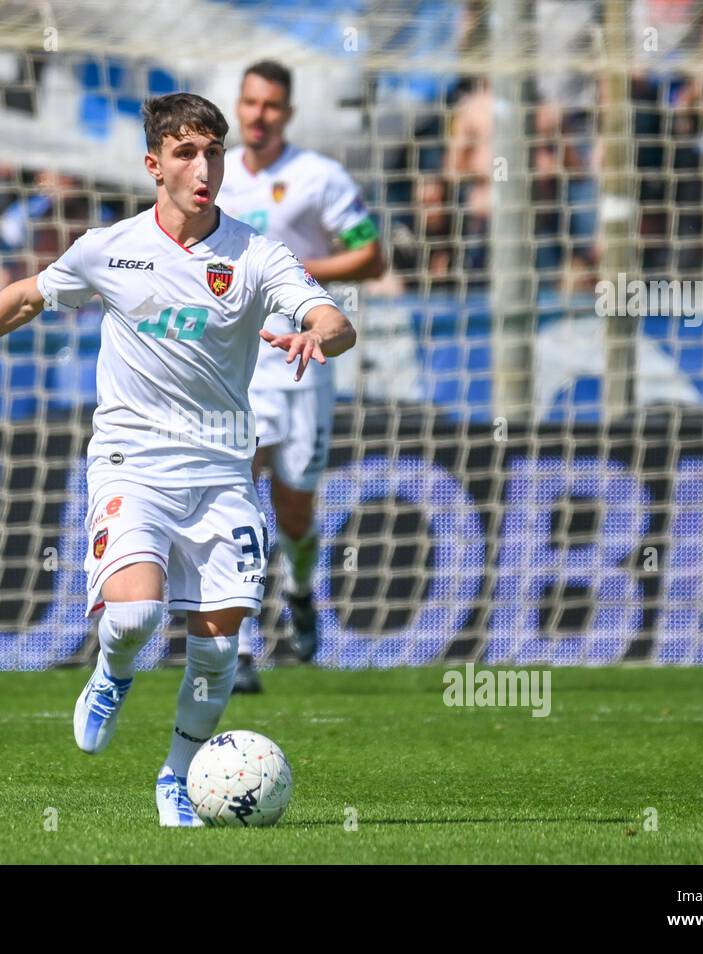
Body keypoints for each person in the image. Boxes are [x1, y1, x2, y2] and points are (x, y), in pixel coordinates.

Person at [0, 93, 356, 826]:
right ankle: (111, 672)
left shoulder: (256, 254)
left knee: (219, 645)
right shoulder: (111, 247)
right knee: (134, 614)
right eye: (187, 153)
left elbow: (332, 317)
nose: (205, 168)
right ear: (154, 165)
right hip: (132, 465)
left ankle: (175, 777)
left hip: (222, 476)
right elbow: (25, 297)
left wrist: (316, 336)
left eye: (214, 153)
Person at [220, 61, 383, 691]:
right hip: (233, 365)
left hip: (304, 360)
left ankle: (302, 586)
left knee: (293, 507)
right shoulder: (216, 176)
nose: (259, 115)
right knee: (231, 496)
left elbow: (372, 255)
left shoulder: (319, 178)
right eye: (250, 102)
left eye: (271, 106)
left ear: (287, 113)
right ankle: (236, 650)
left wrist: (297, 269)